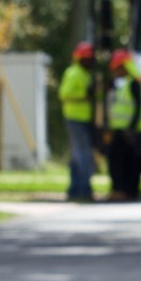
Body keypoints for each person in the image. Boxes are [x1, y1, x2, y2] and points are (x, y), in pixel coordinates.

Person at [107, 49, 141, 201]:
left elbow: (138, 107)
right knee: (120, 161)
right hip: (120, 128)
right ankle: (123, 190)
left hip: (129, 130)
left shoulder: (133, 84)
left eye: (118, 69)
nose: (116, 72)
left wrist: (131, 128)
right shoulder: (121, 85)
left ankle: (126, 191)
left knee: (126, 162)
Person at [59, 41, 96, 202]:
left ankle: (75, 189)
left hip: (84, 119)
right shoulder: (74, 73)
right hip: (75, 118)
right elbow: (64, 94)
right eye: (86, 58)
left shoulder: (86, 74)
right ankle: (83, 189)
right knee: (83, 155)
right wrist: (84, 95)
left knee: (77, 155)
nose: (89, 61)